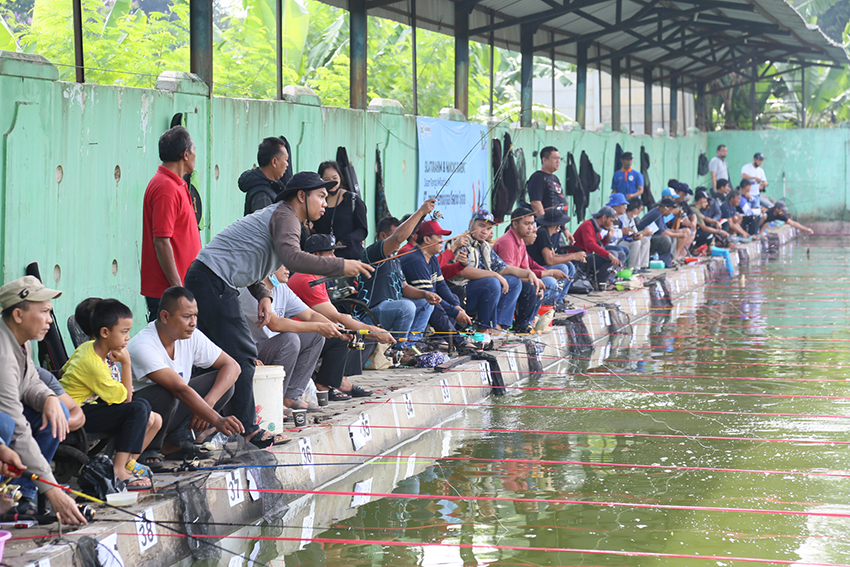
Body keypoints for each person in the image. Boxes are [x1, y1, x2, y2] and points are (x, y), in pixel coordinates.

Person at [184, 171, 373, 448]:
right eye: (320, 196)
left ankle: (206, 424)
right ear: (301, 196)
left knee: (220, 358)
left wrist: (262, 294)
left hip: (210, 279)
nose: (325, 203)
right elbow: (291, 257)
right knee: (242, 355)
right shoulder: (286, 216)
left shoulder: (284, 216)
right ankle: (246, 430)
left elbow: (250, 262)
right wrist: (341, 266)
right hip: (212, 281)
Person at [0, 277, 87, 524]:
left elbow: (29, 382)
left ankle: (20, 496)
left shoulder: (20, 339)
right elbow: (18, 427)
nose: (50, 319)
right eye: (45, 312)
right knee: (5, 425)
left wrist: (49, 397)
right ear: (18, 314)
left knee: (57, 410)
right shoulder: (3, 354)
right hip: (6, 424)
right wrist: (53, 490)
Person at [129, 287, 244, 464]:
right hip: (140, 415)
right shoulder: (143, 345)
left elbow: (232, 366)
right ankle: (147, 448)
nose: (193, 322)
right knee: (166, 393)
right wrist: (216, 419)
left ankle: (175, 443)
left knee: (223, 385)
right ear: (165, 317)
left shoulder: (192, 336)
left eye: (195, 315)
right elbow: (179, 389)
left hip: (171, 408)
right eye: (186, 316)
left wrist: (209, 403)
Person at [60, 299, 161, 490]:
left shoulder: (86, 348)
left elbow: (62, 373)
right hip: (74, 414)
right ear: (105, 332)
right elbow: (127, 400)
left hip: (83, 407)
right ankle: (118, 470)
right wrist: (126, 363)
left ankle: (128, 463)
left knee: (152, 415)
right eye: (124, 332)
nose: (128, 338)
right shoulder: (93, 364)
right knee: (138, 408)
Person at [289, 235, 396, 398]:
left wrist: (362, 329)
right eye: (329, 254)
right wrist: (374, 330)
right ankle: (323, 385)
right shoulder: (307, 279)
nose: (334, 258)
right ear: (315, 255)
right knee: (344, 336)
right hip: (300, 334)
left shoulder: (316, 276)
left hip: (312, 328)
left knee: (355, 334)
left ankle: (342, 381)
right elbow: (336, 317)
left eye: (334, 253)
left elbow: (332, 315)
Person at [240, 265, 346, 410]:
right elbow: (275, 324)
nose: (288, 268)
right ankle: (276, 401)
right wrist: (319, 326)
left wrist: (338, 329)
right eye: (282, 264)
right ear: (268, 266)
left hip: (275, 347)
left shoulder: (282, 288)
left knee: (315, 336)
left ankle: (290, 397)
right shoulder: (250, 292)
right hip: (251, 354)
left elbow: (310, 315)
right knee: (290, 340)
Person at [353, 201, 439, 342]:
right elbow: (399, 237)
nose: (400, 241)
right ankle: (398, 349)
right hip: (370, 312)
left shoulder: (395, 258)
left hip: (392, 307)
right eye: (395, 236)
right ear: (383, 236)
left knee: (425, 303)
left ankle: (409, 345)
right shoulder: (373, 252)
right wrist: (421, 212)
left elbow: (404, 287)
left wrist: (425, 294)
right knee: (406, 307)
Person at [141, 126, 202, 322]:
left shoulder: (177, 184)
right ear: (185, 154)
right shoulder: (166, 187)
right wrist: (178, 289)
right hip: (168, 292)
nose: (195, 154)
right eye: (193, 150)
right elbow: (161, 240)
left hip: (180, 288)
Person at [449, 209, 534, 333]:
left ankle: (499, 324)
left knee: (514, 281)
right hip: (461, 291)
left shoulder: (485, 246)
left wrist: (529, 274)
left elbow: (504, 268)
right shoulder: (462, 242)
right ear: (471, 223)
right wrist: (494, 275)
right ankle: (484, 328)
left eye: (489, 228)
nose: (485, 231)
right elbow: (462, 271)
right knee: (492, 282)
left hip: (480, 287)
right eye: (481, 226)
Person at [400, 221, 476, 348]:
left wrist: (456, 307)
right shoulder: (415, 260)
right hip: (408, 303)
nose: (442, 240)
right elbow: (430, 297)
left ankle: (440, 339)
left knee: (454, 299)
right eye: (439, 237)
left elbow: (441, 286)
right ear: (427, 239)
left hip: (425, 299)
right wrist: (455, 313)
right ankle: (458, 341)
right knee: (433, 304)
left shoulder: (431, 257)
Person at [491, 208, 562, 330]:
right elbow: (507, 272)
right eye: (526, 224)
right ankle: (506, 324)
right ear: (515, 224)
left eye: (532, 223)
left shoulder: (521, 241)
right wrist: (534, 280)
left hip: (515, 282)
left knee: (539, 285)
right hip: (502, 283)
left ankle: (526, 323)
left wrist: (537, 279)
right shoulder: (507, 242)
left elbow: (526, 268)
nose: (530, 227)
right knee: (528, 285)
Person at [311, 161, 369, 261]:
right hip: (323, 260)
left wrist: (344, 242)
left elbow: (362, 230)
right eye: (326, 179)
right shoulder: (316, 202)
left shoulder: (353, 201)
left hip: (350, 257)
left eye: (335, 178)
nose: (332, 182)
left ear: (340, 177)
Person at [526, 208, 585, 285]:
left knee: (569, 265)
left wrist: (572, 256)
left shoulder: (547, 233)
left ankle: (561, 296)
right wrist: (573, 256)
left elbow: (553, 256)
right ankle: (556, 295)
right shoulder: (543, 233)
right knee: (562, 268)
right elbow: (550, 261)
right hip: (537, 268)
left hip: (541, 266)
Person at [572, 206, 624, 288]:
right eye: (611, 221)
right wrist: (609, 255)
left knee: (621, 254)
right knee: (611, 255)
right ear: (604, 218)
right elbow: (590, 245)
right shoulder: (588, 225)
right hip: (581, 257)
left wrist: (608, 238)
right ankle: (600, 283)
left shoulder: (596, 227)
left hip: (589, 254)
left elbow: (599, 244)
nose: (612, 224)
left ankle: (609, 280)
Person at [239, 137, 289, 216]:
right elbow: (265, 226)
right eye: (285, 160)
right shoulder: (262, 195)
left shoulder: (273, 185)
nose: (287, 164)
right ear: (274, 162)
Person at [635, 198, 686, 268]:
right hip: (644, 236)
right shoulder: (656, 213)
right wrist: (678, 235)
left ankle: (671, 259)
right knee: (666, 239)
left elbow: (665, 229)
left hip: (651, 236)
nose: (671, 212)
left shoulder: (660, 213)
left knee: (673, 237)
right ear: (665, 208)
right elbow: (663, 233)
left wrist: (677, 232)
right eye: (670, 210)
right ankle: (665, 260)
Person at [527, 146, 567, 216]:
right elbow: (535, 202)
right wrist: (545, 223)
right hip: (549, 224)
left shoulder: (555, 178)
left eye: (559, 158)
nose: (558, 161)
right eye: (555, 158)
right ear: (544, 160)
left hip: (560, 223)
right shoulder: (538, 177)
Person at [618, 198, 652, 270]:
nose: (640, 212)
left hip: (628, 240)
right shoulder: (623, 217)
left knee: (645, 240)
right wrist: (644, 233)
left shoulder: (631, 219)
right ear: (635, 210)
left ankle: (642, 266)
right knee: (636, 243)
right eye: (641, 209)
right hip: (620, 241)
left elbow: (635, 233)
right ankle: (633, 268)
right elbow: (627, 235)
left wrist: (642, 234)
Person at [603, 193, 632, 265]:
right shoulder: (606, 217)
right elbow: (603, 235)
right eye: (623, 205)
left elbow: (625, 236)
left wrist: (633, 236)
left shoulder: (620, 220)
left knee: (626, 249)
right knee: (620, 250)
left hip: (614, 244)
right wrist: (621, 232)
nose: (625, 207)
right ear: (615, 206)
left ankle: (618, 269)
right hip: (604, 244)